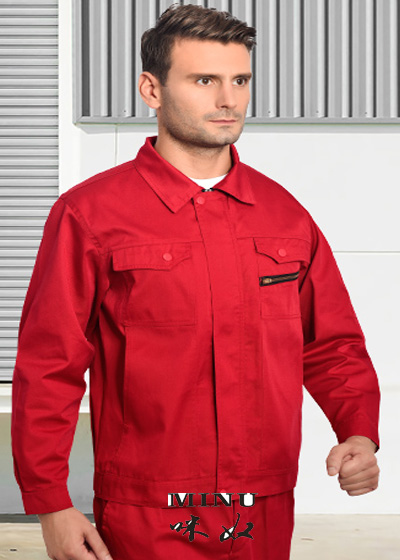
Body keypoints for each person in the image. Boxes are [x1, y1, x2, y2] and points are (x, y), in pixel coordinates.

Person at [11, 4, 380, 560]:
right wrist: (51, 504)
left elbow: (333, 345)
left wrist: (358, 433)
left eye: (240, 80)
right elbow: (48, 366)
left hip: (262, 506)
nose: (228, 99)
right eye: (204, 80)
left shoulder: (284, 216)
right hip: (146, 512)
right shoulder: (90, 215)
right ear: (152, 90)